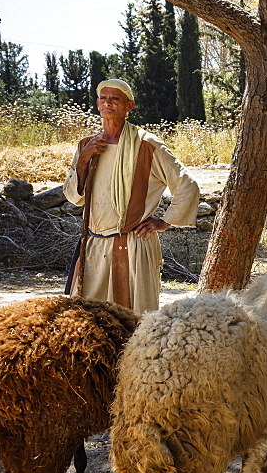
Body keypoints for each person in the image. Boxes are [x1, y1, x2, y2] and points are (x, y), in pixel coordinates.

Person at [63, 79, 200, 313]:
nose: (108, 103)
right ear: (97, 104)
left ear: (129, 106)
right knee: (88, 318)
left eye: (115, 99)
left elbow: (187, 185)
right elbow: (74, 197)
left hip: (132, 245)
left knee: (132, 319)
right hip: (93, 245)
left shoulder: (146, 144)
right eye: (104, 98)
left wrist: (164, 221)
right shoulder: (87, 145)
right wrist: (85, 158)